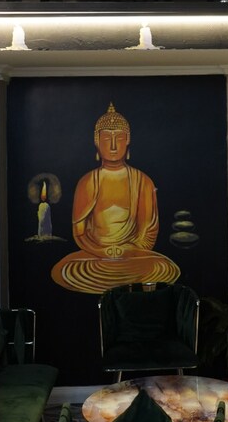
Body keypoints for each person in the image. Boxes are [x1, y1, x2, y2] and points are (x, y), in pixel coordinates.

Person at [50, 102, 180, 294]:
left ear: (127, 141)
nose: (112, 145)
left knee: (160, 267)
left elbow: (149, 231)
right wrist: (102, 251)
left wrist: (127, 251)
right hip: (96, 258)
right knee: (68, 269)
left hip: (133, 257)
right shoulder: (88, 182)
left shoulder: (142, 181)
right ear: (96, 141)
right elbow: (79, 233)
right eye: (106, 139)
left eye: (119, 138)